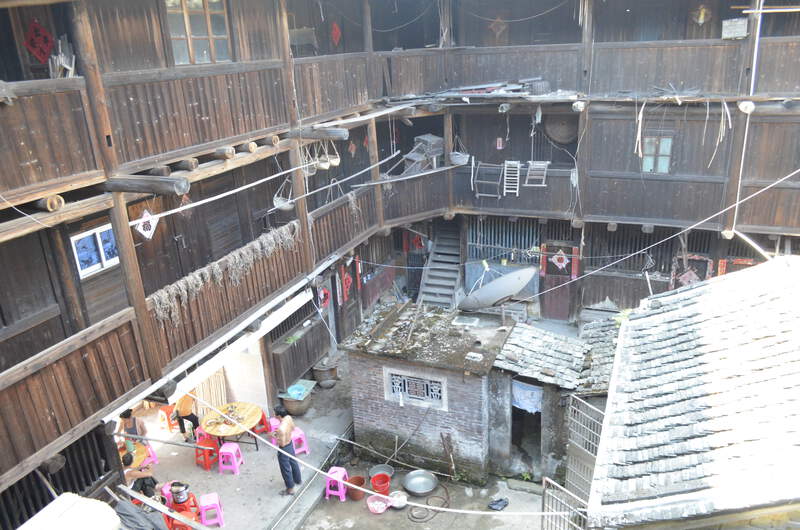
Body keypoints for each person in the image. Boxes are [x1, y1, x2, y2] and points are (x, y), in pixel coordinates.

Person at [273, 405, 302, 496]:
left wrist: (274, 436)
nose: (274, 415)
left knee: (285, 469)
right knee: (293, 462)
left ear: (278, 416)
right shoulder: (288, 418)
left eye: (275, 414)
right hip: (290, 444)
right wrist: (281, 434)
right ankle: (298, 480)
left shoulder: (281, 429)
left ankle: (290, 489)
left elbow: (281, 444)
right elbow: (293, 428)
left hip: (284, 448)